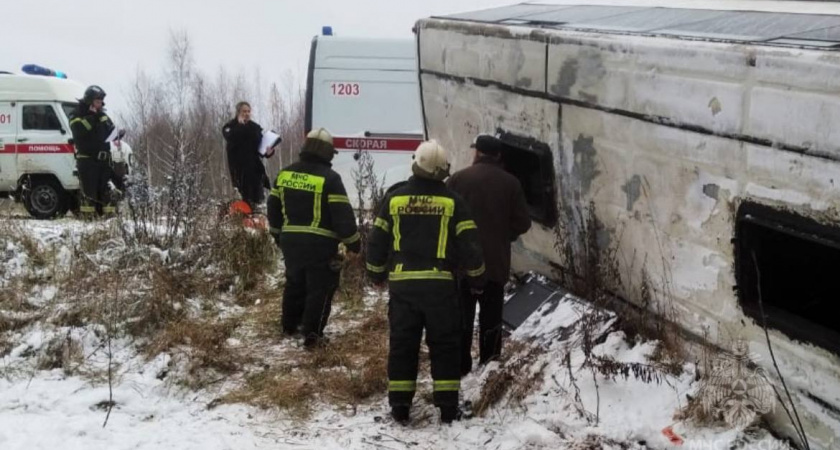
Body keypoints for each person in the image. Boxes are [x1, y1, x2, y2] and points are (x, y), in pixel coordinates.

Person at [366, 140, 486, 425]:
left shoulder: (394, 199)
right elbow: (470, 245)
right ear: (443, 171)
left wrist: (376, 274)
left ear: (415, 164)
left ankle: (399, 407)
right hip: (440, 288)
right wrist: (477, 278)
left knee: (403, 345)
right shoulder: (453, 202)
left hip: (403, 287)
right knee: (445, 346)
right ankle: (446, 408)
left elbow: (377, 239)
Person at [446, 134, 531, 376]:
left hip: (462, 264)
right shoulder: (511, 183)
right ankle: (489, 364)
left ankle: (461, 364)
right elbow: (523, 223)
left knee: (462, 316)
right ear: (498, 156)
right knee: (491, 316)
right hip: (495, 263)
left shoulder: (457, 179)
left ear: (477, 153)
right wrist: (506, 235)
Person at [267, 128, 361, 349]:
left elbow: (273, 208)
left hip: (290, 243)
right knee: (320, 288)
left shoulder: (285, 173)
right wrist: (353, 243)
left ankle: (289, 326)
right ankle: (312, 336)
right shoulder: (330, 178)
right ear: (327, 153)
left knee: (295, 283)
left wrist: (278, 234)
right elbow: (342, 215)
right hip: (320, 245)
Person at [68, 85, 119, 218]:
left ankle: (109, 222)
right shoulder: (76, 114)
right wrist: (93, 117)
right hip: (87, 160)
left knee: (107, 193)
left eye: (101, 101)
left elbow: (110, 129)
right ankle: (89, 223)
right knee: (89, 195)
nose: (100, 104)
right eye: (97, 101)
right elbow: (78, 130)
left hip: (104, 161)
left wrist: (117, 134)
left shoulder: (102, 114)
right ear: (90, 101)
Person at [222, 102, 270, 208]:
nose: (247, 114)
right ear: (238, 112)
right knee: (242, 199)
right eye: (244, 111)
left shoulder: (255, 128)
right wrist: (240, 126)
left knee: (257, 199)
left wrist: (269, 152)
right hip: (238, 170)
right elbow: (231, 138)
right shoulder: (230, 127)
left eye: (248, 111)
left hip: (255, 169)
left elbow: (261, 148)